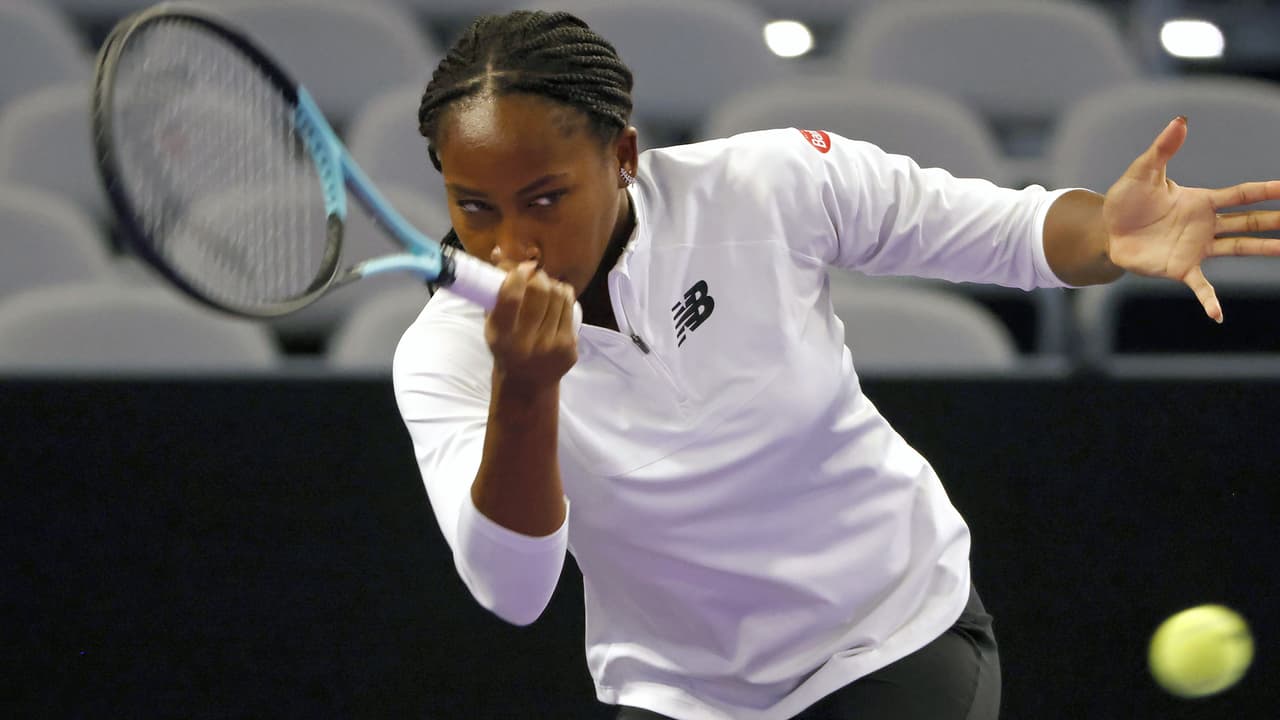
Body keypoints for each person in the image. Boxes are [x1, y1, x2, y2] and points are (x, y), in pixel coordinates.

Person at [392, 10, 1280, 720]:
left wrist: (1110, 234)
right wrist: (525, 389)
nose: (513, 244)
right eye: (476, 209)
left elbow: (1005, 231)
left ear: (623, 156)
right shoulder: (442, 355)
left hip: (887, 637)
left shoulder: (769, 184)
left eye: (546, 199)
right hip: (680, 694)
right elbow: (514, 591)